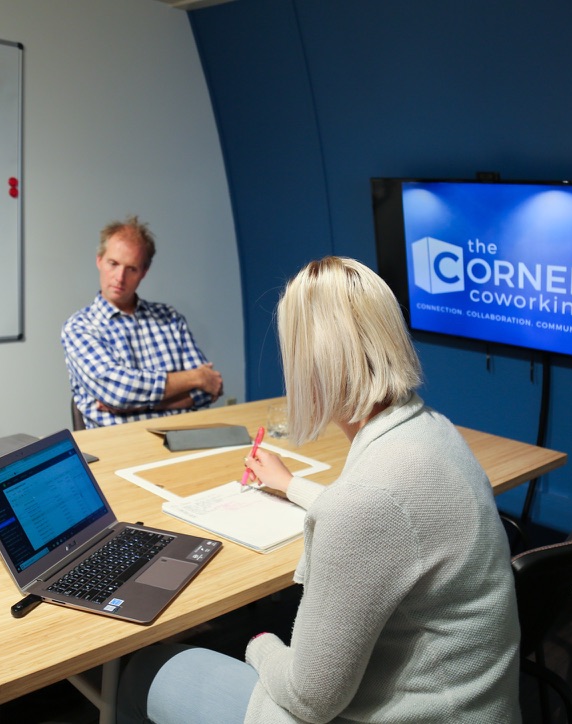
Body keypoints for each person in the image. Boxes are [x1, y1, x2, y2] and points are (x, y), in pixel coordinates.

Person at [116, 257, 521, 723]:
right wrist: (291, 486)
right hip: (472, 702)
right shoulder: (435, 431)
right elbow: (391, 518)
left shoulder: (364, 503)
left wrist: (260, 645)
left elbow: (312, 700)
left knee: (146, 669)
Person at [61, 215, 223, 427]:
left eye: (132, 268)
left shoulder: (170, 318)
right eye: (113, 263)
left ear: (144, 272)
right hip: (119, 446)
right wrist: (195, 377)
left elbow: (208, 390)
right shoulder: (79, 327)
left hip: (181, 437)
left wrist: (138, 406)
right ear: (99, 261)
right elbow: (119, 393)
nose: (120, 277)